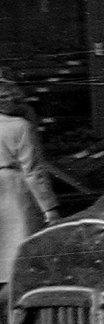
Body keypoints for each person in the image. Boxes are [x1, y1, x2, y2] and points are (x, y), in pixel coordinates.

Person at [0, 75, 59, 291]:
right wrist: (50, 209)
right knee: (15, 259)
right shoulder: (20, 126)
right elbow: (34, 171)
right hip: (13, 190)